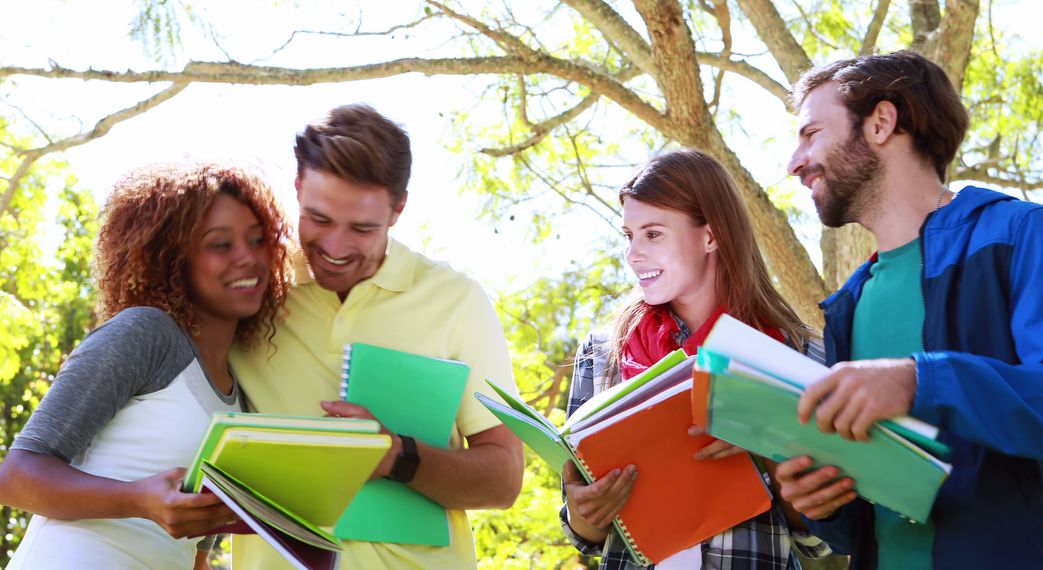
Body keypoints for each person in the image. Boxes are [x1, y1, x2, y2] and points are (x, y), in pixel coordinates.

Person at [775, 50, 1043, 569]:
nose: (794, 163)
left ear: (881, 122)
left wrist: (921, 382)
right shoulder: (848, 305)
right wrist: (822, 503)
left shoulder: (1022, 234)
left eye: (811, 134)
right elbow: (866, 522)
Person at [228, 103, 524, 569]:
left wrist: (396, 456)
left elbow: (504, 479)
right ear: (298, 188)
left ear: (398, 209)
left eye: (362, 228)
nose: (336, 248)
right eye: (319, 219)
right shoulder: (249, 288)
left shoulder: (455, 300)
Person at [0, 162, 291, 569]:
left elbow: (194, 553)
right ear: (173, 257)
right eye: (220, 244)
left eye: (258, 240)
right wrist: (138, 499)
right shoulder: (145, 334)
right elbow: (15, 477)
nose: (248, 258)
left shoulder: (239, 398)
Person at [559, 149, 831, 569]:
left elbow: (826, 539)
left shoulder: (798, 355)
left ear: (710, 235)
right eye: (629, 237)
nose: (633, 255)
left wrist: (770, 448)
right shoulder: (601, 356)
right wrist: (584, 514)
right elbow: (585, 535)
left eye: (653, 234)